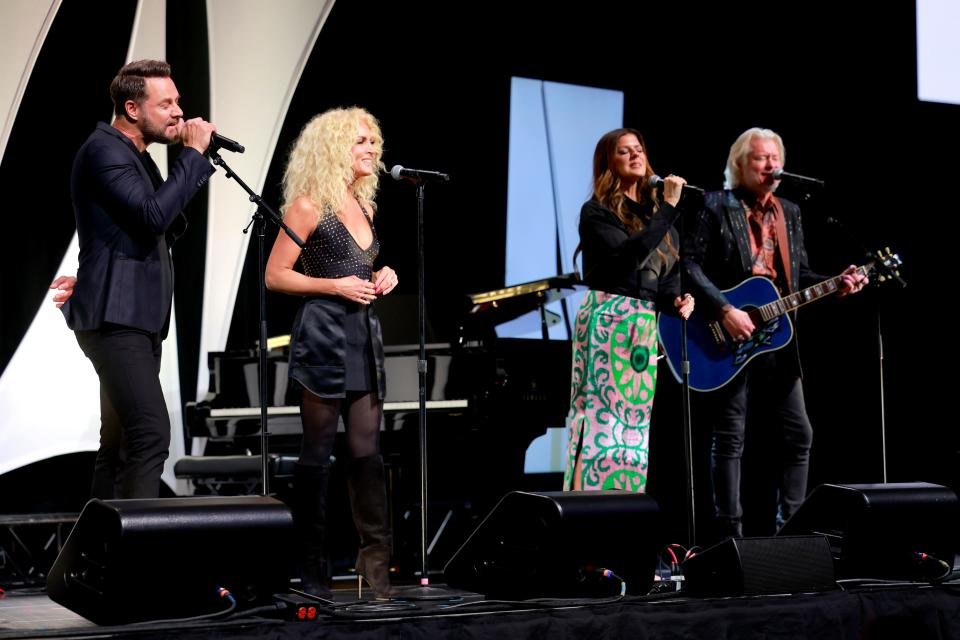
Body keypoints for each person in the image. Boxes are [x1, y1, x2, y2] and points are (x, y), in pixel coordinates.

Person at [683, 127, 867, 538]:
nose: (771, 165)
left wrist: (836, 282)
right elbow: (689, 265)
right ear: (740, 164)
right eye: (760, 158)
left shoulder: (789, 212)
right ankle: (729, 536)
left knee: (799, 432)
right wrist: (725, 309)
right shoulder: (716, 206)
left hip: (777, 335)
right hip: (728, 332)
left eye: (774, 158)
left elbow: (798, 277)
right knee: (731, 437)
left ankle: (795, 531)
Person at [56, 59, 215, 500]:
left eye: (178, 102)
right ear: (131, 108)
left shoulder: (137, 157)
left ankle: (94, 564)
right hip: (115, 318)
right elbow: (153, 217)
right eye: (166, 104)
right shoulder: (105, 150)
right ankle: (134, 560)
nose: (179, 112)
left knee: (122, 443)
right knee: (150, 433)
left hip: (137, 318)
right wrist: (193, 155)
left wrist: (191, 164)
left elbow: (169, 223)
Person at [265, 107, 399, 600]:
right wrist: (333, 285)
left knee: (368, 453)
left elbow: (359, 266)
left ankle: (376, 566)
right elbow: (275, 274)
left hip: (364, 335)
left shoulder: (364, 205)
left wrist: (383, 275)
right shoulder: (307, 205)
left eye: (372, 142)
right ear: (333, 148)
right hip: (322, 336)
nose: (371, 150)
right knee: (317, 454)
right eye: (360, 141)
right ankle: (311, 569)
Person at [564, 128, 695, 493]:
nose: (635, 156)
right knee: (600, 423)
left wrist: (677, 300)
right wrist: (669, 207)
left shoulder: (657, 213)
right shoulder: (596, 212)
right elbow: (628, 257)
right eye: (624, 152)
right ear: (610, 162)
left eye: (639, 149)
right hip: (607, 319)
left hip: (642, 325)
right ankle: (585, 519)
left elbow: (665, 275)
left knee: (632, 431)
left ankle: (620, 516)